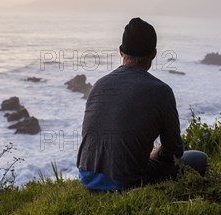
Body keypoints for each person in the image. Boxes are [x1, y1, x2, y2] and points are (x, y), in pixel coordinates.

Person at [76, 17, 208, 191]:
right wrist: (153, 154)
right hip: (126, 182)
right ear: (153, 54)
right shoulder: (161, 91)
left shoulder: (99, 85)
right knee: (198, 158)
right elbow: (174, 150)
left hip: (87, 177)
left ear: (121, 51)